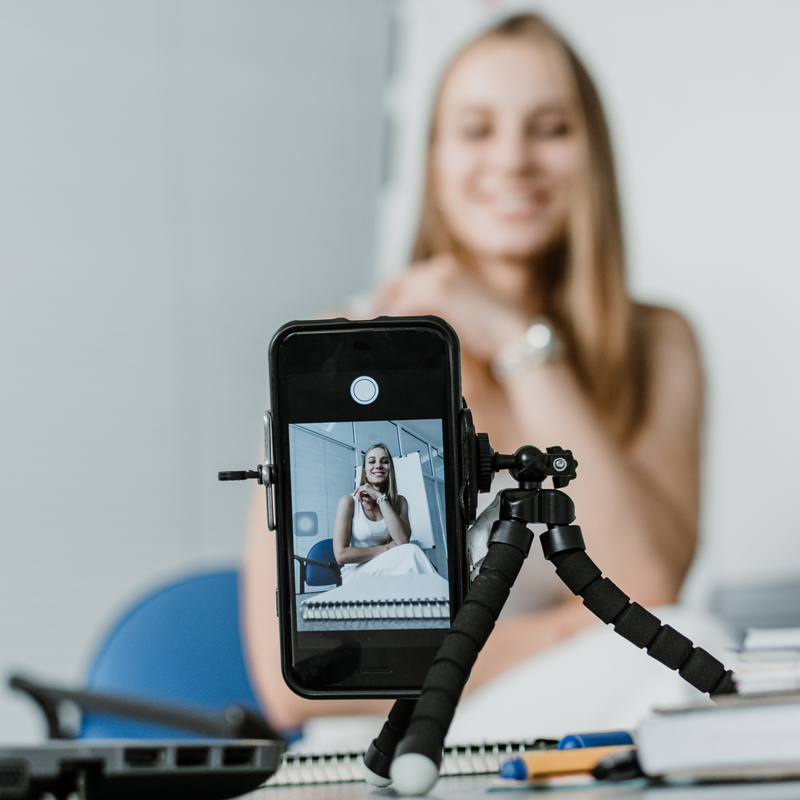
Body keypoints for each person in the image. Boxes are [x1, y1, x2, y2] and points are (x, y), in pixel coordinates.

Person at [243, 12, 705, 734]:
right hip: (394, 731)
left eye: (550, 128)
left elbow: (647, 590)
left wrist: (521, 344)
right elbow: (297, 683)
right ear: (432, 158)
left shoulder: (659, 343)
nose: (513, 159)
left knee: (696, 649)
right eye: (477, 129)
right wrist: (563, 635)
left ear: (593, 156)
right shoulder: (344, 348)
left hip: (570, 720)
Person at [332, 444, 437, 581]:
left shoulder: (400, 502)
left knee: (411, 556)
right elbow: (341, 555)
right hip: (356, 571)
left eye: (384, 461)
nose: (378, 466)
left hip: (388, 566)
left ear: (390, 470)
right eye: (371, 461)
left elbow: (402, 541)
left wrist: (380, 498)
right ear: (364, 472)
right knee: (412, 553)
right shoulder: (348, 502)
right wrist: (386, 548)